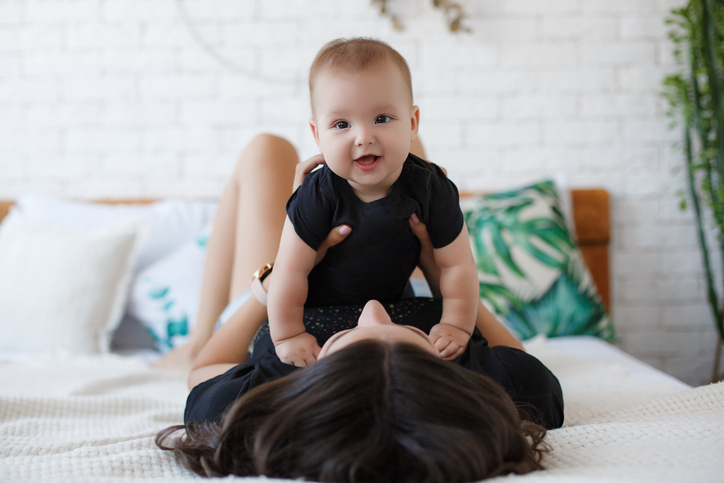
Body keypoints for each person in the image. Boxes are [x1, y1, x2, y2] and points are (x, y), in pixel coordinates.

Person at [154, 133, 564, 482]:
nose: (372, 310)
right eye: (410, 334)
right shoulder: (462, 366)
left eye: (346, 336)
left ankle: (193, 337)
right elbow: (517, 361)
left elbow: (204, 372)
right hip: (391, 268)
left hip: (272, 299)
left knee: (267, 151)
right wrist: (442, 283)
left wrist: (275, 281)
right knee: (405, 158)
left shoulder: (283, 379)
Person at [268, 38, 480, 367]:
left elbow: (457, 266)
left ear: (412, 123)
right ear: (317, 135)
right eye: (341, 124)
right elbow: (289, 272)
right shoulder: (316, 194)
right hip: (319, 311)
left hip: (392, 310)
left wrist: (455, 325)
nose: (363, 136)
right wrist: (289, 335)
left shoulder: (431, 188)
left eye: (382, 118)